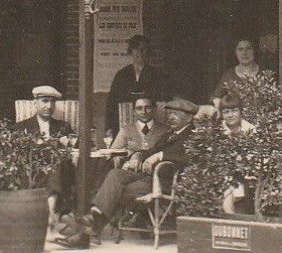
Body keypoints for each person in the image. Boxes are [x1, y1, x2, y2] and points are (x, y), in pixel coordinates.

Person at [88, 97, 197, 232]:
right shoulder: (171, 133)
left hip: (166, 182)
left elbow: (188, 157)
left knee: (117, 190)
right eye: (170, 114)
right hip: (150, 177)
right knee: (116, 174)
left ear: (189, 119)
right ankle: (95, 218)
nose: (171, 117)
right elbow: (152, 150)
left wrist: (161, 156)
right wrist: (137, 156)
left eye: (176, 114)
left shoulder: (193, 135)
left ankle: (94, 221)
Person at [16, 85, 76, 224]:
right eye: (44, 101)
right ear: (35, 103)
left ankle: (50, 212)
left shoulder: (63, 127)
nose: (49, 106)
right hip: (33, 173)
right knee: (52, 162)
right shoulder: (22, 127)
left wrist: (70, 142)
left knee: (55, 163)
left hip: (60, 172)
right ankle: (51, 212)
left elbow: (83, 145)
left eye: (52, 102)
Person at [105, 35, 170, 135]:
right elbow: (111, 102)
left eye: (143, 48)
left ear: (148, 51)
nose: (139, 52)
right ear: (131, 51)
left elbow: (163, 100)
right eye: (136, 48)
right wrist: (109, 127)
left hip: (149, 121)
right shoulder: (121, 75)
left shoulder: (157, 74)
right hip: (124, 121)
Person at [210, 37, 266, 108]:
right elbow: (216, 97)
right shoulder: (229, 75)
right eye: (240, 49)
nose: (244, 53)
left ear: (254, 51)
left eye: (248, 48)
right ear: (235, 52)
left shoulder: (264, 74)